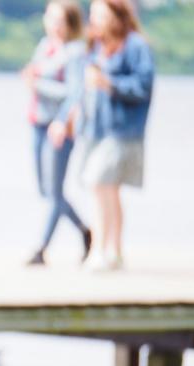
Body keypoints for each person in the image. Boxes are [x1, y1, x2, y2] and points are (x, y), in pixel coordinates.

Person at [77, 0, 154, 270]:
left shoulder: (136, 45)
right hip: (98, 130)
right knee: (106, 191)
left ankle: (100, 250)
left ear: (118, 16)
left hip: (123, 130)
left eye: (101, 14)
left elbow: (143, 86)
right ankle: (114, 252)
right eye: (94, 14)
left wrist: (109, 83)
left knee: (100, 185)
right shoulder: (98, 45)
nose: (95, 19)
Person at [22, 0, 93, 266]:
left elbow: (74, 92)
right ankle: (85, 230)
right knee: (46, 189)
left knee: (54, 191)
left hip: (60, 128)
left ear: (71, 23)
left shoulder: (75, 52)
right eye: (50, 18)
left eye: (60, 20)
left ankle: (41, 249)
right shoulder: (44, 47)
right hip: (37, 123)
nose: (54, 25)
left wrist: (38, 85)